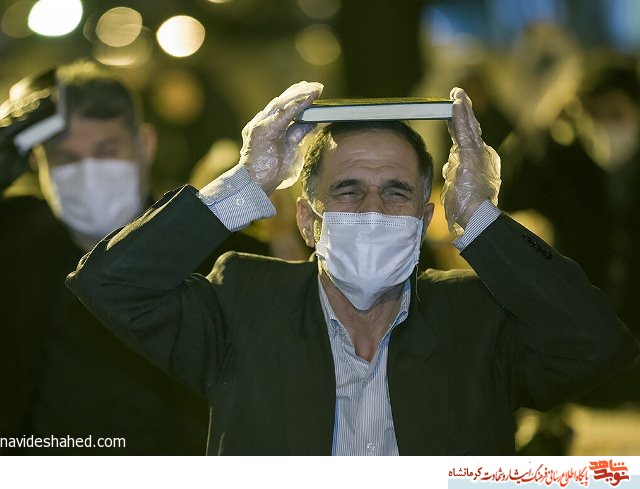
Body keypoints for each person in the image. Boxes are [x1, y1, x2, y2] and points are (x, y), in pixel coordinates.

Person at [66, 81, 638, 455]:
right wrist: (243, 185)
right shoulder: (243, 302)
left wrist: (480, 219)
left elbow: (599, 345)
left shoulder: (476, 317)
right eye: (347, 190)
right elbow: (110, 284)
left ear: (426, 217)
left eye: (396, 191)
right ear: (308, 221)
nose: (372, 209)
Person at [0, 60, 208, 454]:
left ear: (145, 145)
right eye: (66, 157)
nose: (89, 172)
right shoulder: (15, 245)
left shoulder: (206, 250)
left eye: (106, 151)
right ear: (36, 162)